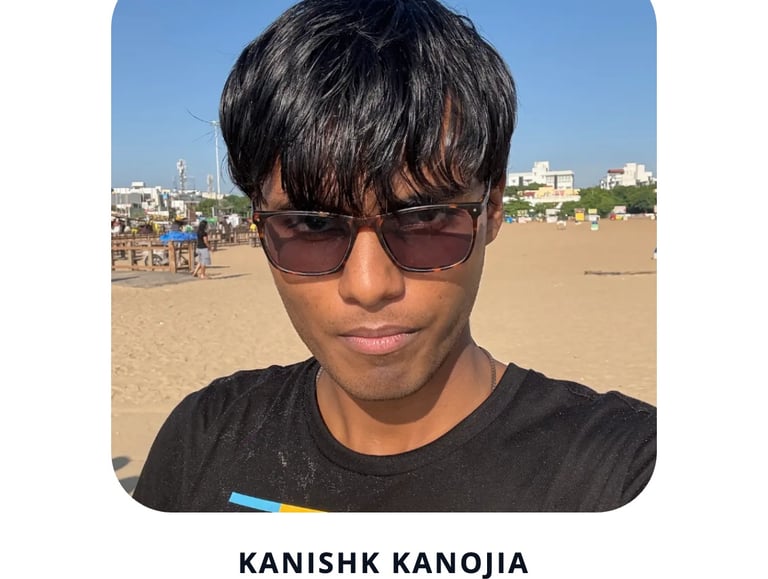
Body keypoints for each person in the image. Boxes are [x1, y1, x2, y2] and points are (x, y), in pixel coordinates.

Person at [133, 0, 656, 513]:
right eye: (313, 225)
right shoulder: (203, 440)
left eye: (423, 220)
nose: (368, 285)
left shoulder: (623, 477)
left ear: (492, 208)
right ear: (259, 222)